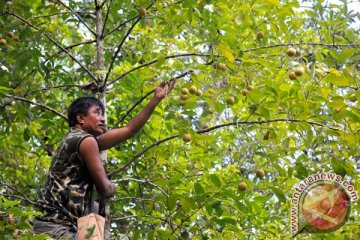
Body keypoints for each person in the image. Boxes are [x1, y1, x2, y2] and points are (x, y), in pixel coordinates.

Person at [33, 81, 176, 239]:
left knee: (94, 210)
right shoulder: (86, 141)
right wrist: (113, 187)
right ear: (80, 118)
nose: (102, 119)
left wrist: (155, 99)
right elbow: (104, 189)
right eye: (97, 113)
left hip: (54, 226)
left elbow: (129, 130)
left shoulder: (76, 140)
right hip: (56, 228)